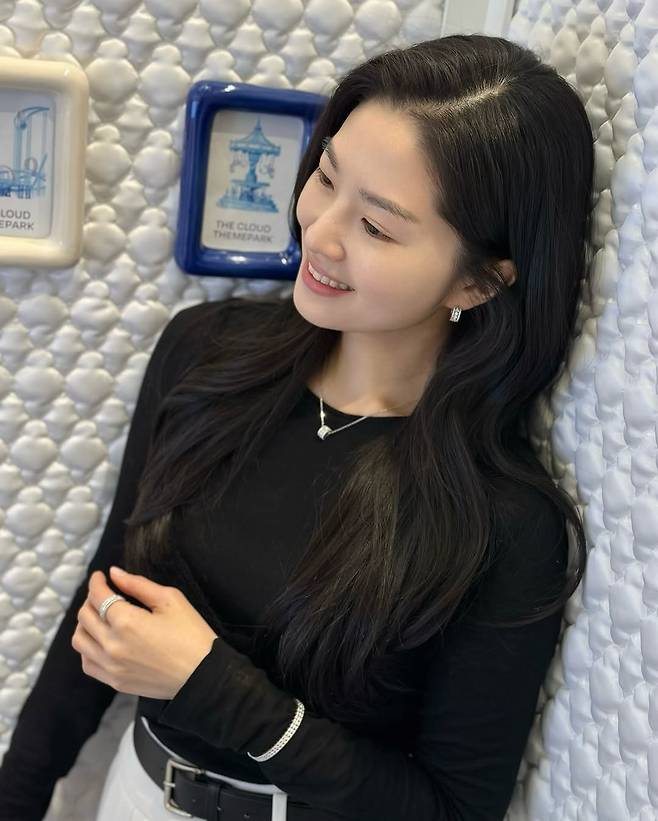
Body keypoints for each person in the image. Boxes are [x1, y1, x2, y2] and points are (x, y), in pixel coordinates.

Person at [0, 33, 594, 821]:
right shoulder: (205, 354)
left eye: (377, 227)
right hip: (135, 793)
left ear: (480, 280)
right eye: (326, 177)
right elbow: (111, 588)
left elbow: (453, 807)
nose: (320, 232)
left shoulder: (504, 521)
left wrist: (214, 687)